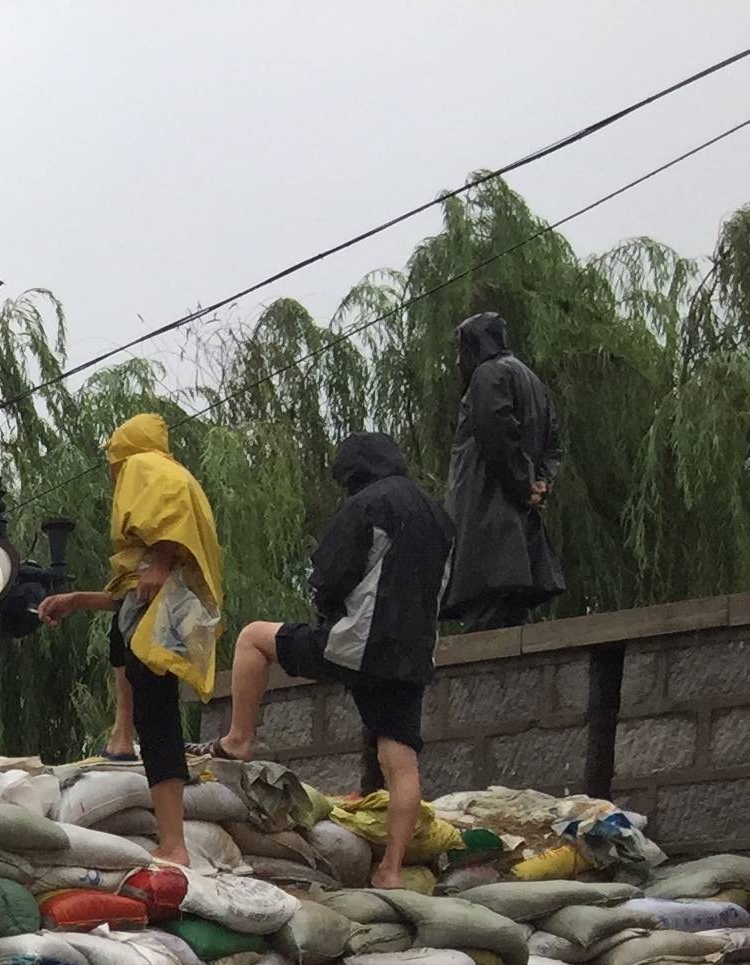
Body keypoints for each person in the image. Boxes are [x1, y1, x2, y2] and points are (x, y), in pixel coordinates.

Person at [212, 434, 451, 883]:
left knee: (253, 639)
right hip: (413, 653)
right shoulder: (439, 516)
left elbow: (331, 575)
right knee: (400, 761)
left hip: (355, 641)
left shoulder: (367, 504)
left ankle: (239, 739)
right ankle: (392, 870)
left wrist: (328, 610)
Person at [35, 413, 221, 867]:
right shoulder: (168, 472)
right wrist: (77, 599)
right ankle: (163, 819)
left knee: (157, 721)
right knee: (156, 713)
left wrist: (157, 560)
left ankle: (173, 843)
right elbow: (126, 596)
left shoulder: (146, 467)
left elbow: (166, 517)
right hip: (175, 614)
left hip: (163, 616)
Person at [440, 310, 562, 631]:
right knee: (510, 619)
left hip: (489, 522)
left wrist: (524, 485)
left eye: (459, 350)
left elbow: (497, 436)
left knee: (486, 622)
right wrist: (539, 484)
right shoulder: (535, 382)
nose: (456, 362)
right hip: (517, 529)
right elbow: (553, 444)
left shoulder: (488, 375)